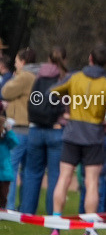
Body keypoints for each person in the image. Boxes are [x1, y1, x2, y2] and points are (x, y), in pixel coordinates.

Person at [50, 44, 106, 216]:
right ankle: (89, 227)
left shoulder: (74, 78)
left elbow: (51, 93)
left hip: (72, 133)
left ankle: (55, 223)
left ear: (90, 59)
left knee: (64, 179)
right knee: (92, 182)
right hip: (94, 136)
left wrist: (62, 113)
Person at [21, 46, 67, 216]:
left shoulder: (38, 76)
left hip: (35, 128)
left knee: (32, 173)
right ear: (65, 60)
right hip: (56, 130)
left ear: (48, 60)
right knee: (55, 175)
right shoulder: (64, 79)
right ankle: (52, 213)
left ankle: (26, 213)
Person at [1, 47, 39, 209]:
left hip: (20, 126)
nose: (15, 65)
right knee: (30, 171)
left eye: (17, 62)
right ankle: (27, 208)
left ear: (23, 62)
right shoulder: (38, 76)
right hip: (33, 127)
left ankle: (8, 206)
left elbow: (6, 91)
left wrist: (14, 78)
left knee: (12, 168)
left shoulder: (24, 77)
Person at [0, 104, 18, 207]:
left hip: (4, 170)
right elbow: (14, 143)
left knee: (3, 197)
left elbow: (14, 143)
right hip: (4, 169)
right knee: (3, 197)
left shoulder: (4, 128)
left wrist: (9, 131)